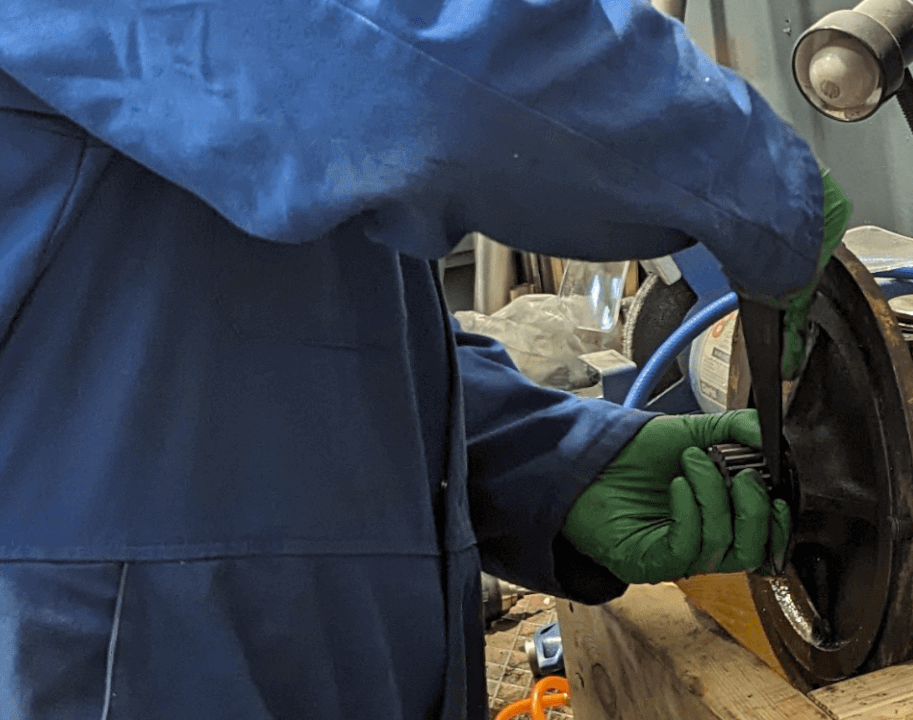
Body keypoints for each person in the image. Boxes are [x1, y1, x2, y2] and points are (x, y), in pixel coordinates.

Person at [0, 0, 847, 717]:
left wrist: (539, 463)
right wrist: (764, 188)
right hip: (125, 662)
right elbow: (429, 62)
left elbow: (229, 320)